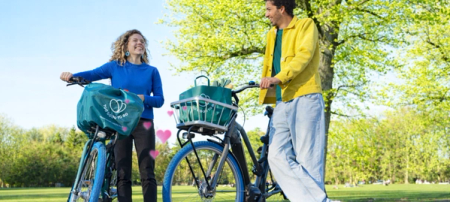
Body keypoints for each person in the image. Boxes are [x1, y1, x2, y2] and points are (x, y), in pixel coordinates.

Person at [60, 29, 164, 202]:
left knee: (147, 171)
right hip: (120, 122)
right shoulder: (115, 67)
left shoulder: (152, 71)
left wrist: (142, 98)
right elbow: (93, 74)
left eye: (142, 41)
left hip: (144, 123)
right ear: (126, 46)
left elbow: (159, 100)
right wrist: (72, 76)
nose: (140, 43)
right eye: (135, 40)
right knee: (122, 173)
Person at [259, 0, 330, 201]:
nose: (266, 14)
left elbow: (303, 56)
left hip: (305, 97)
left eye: (269, 9)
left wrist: (277, 78)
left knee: (308, 160)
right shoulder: (271, 35)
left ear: (282, 9)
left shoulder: (305, 25)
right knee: (276, 155)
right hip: (282, 101)